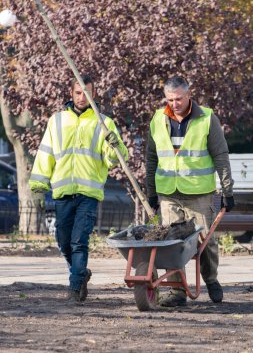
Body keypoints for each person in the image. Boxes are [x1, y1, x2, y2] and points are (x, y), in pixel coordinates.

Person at [29, 74, 128, 304]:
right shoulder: (57, 121)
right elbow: (46, 152)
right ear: (71, 93)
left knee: (79, 241)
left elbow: (115, 160)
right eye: (78, 92)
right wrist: (39, 179)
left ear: (94, 95)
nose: (82, 97)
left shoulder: (104, 123)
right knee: (63, 240)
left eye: (87, 93)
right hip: (63, 192)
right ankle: (81, 273)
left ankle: (74, 288)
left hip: (88, 193)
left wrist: (115, 145)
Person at [146, 75, 234, 307]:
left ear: (189, 95)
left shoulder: (206, 118)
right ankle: (177, 291)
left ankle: (211, 280)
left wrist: (227, 189)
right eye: (170, 99)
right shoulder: (157, 119)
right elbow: (152, 158)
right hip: (168, 192)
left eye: (178, 99)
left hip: (198, 193)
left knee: (205, 242)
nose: (174, 104)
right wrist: (151, 190)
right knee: (171, 244)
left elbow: (220, 155)